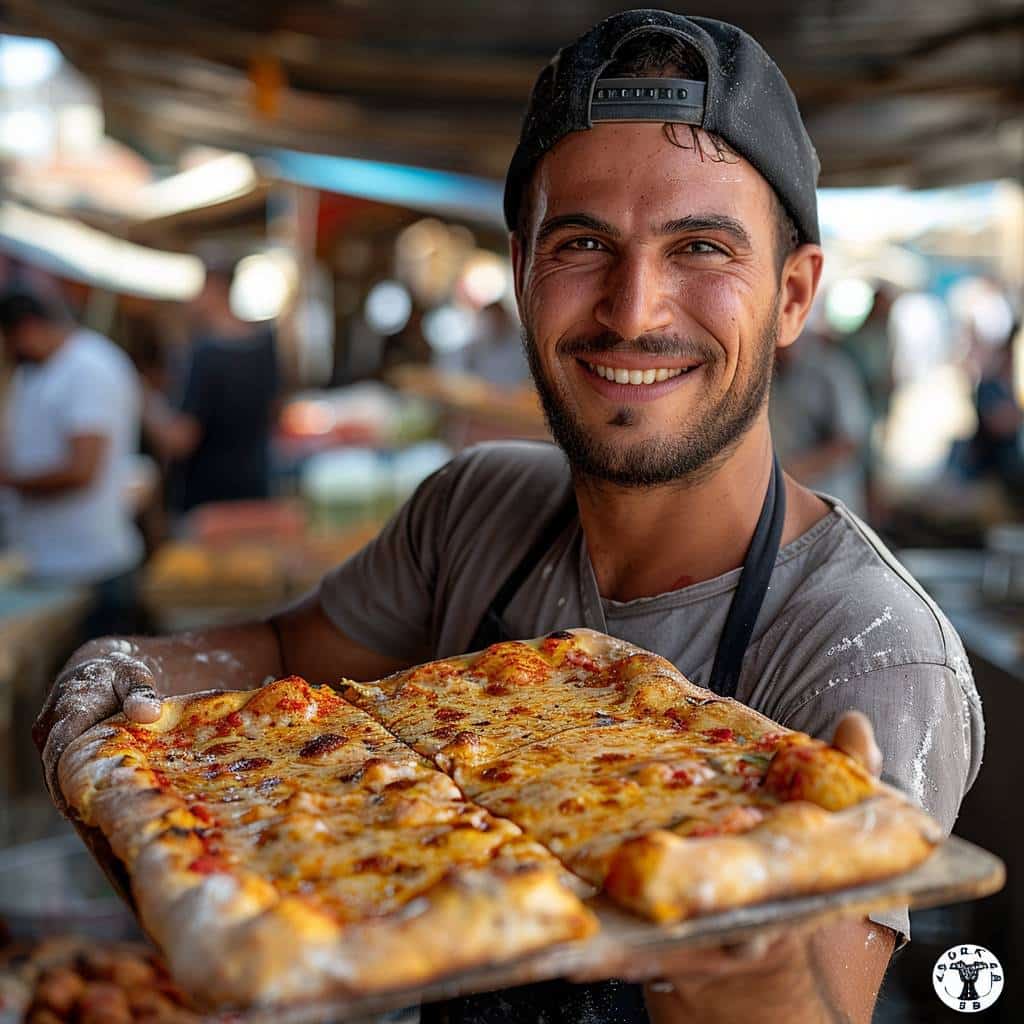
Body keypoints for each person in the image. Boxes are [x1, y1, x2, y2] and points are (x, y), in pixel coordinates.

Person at [34, 12, 984, 1023]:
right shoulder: (478, 503)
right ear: (523, 274)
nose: (634, 309)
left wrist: (745, 949)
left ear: (793, 294)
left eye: (700, 247)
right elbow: (283, 654)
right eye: (581, 243)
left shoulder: (869, 652)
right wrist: (125, 672)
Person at [0, 288, 143, 634]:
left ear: (29, 328)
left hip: (92, 568)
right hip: (52, 564)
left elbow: (82, 470)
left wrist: (9, 481)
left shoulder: (88, 368)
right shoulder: (37, 370)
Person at [149, 261, 280, 515]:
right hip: (255, 488)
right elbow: (275, 411)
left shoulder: (206, 354)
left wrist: (142, 401)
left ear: (214, 287)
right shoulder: (266, 345)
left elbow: (181, 440)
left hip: (208, 501)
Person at [770, 329, 872, 516]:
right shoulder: (770, 374)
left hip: (831, 500)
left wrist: (798, 469)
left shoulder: (830, 371)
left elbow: (850, 441)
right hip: (787, 499)